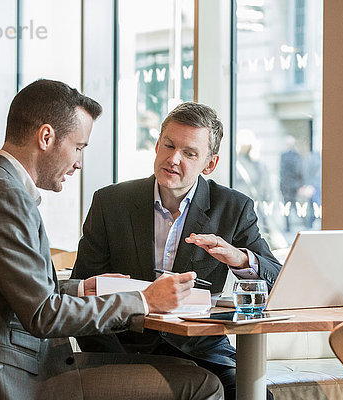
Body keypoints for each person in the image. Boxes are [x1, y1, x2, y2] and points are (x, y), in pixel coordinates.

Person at [0, 80, 223, 400]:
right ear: (46, 137)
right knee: (203, 384)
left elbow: (10, 295)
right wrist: (145, 301)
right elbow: (44, 315)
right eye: (79, 147)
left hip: (11, 362)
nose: (79, 162)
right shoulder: (7, 198)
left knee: (186, 372)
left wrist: (83, 288)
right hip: (21, 377)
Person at [71, 102, 282, 400]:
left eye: (189, 153)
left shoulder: (233, 208)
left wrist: (240, 258)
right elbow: (82, 290)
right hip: (124, 347)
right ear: (156, 146)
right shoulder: (110, 203)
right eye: (168, 146)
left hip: (202, 349)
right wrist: (110, 354)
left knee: (253, 395)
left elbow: (277, 279)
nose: (173, 159)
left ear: (209, 164)